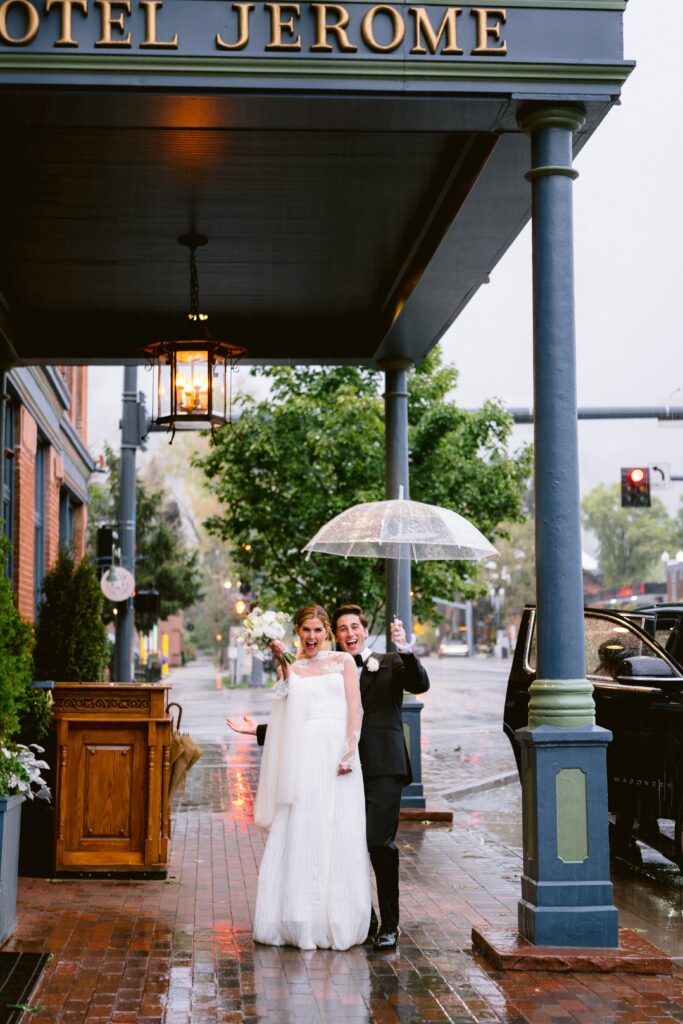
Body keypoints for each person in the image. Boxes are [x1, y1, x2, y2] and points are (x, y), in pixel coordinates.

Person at [228, 603, 430, 951]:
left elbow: (418, 683)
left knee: (378, 844)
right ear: (335, 635)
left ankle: (390, 925)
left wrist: (406, 649)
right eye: (342, 628)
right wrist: (259, 731)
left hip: (381, 767)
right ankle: (359, 919)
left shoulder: (388, 661)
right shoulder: (327, 664)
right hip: (332, 768)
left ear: (364, 630)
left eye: (355, 627)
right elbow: (303, 713)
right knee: (343, 843)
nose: (349, 634)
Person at [248, 604, 371, 950]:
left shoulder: (343, 662)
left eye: (318, 630)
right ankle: (299, 918)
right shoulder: (294, 667)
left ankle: (338, 919)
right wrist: (281, 661)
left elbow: (354, 708)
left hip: (337, 754)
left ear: (327, 633)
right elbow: (289, 704)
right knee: (303, 826)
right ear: (298, 633)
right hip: (303, 754)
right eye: (306, 630)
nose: (313, 636)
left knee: (339, 829)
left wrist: (349, 750)